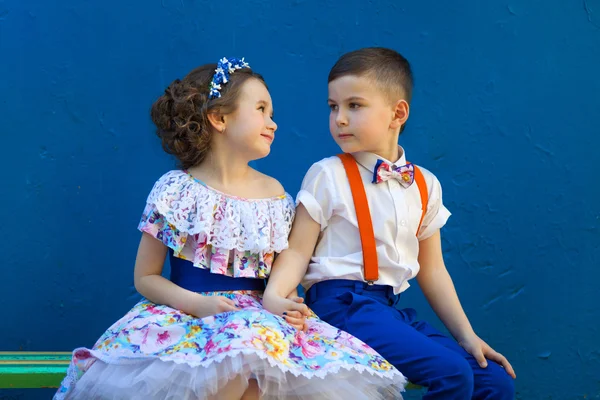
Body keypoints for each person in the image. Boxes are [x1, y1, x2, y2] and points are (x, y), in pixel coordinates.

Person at [54, 57, 406, 400]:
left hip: (259, 320)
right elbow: (145, 277)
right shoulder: (176, 190)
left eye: (272, 114)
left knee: (256, 369)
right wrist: (198, 305)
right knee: (236, 361)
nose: (273, 123)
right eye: (262, 110)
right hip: (189, 318)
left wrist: (285, 304)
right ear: (220, 118)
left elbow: (282, 275)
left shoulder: (277, 198)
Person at [263, 47, 516, 399]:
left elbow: (433, 270)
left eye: (354, 105)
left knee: (495, 380)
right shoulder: (327, 174)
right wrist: (274, 295)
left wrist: (467, 336)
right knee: (452, 373)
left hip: (389, 310)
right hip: (342, 305)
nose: (339, 118)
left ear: (397, 113)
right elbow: (296, 251)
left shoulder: (426, 184)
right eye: (333, 107)